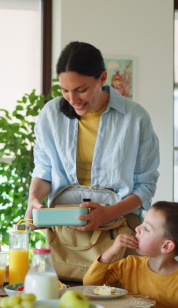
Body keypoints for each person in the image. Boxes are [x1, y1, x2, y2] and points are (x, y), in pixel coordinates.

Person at [25, 41, 159, 231]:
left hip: (119, 231)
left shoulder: (135, 117)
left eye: (81, 90)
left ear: (102, 78)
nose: (72, 100)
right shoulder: (50, 114)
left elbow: (145, 185)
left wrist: (108, 213)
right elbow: (44, 170)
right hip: (66, 232)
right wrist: (34, 200)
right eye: (65, 90)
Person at [83, 201, 178, 308]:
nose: (137, 228)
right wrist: (111, 251)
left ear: (166, 246)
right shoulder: (129, 264)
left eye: (146, 228)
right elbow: (90, 284)